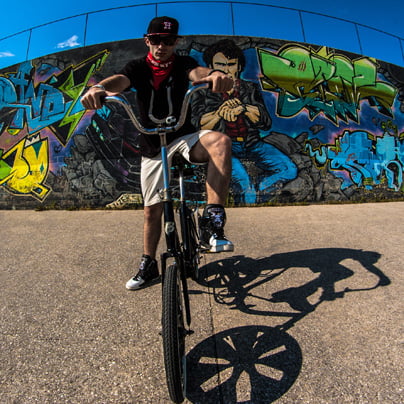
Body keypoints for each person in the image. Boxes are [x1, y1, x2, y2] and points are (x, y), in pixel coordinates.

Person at [81, 16, 234, 290]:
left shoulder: (183, 63)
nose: (162, 46)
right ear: (147, 40)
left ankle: (212, 221)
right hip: (152, 144)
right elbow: (120, 80)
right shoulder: (138, 67)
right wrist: (99, 88)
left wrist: (213, 75)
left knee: (220, 141)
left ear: (176, 42)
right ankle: (148, 263)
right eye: (156, 40)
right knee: (151, 212)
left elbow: (197, 73)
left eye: (168, 41)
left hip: (183, 137)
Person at [191, 39, 297, 204]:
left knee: (289, 170)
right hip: (225, 147)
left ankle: (259, 189)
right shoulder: (201, 91)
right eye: (220, 65)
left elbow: (265, 123)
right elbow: (197, 124)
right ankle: (250, 197)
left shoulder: (250, 88)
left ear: (239, 67)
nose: (226, 70)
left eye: (231, 65)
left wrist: (245, 108)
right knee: (244, 183)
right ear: (211, 67)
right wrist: (219, 113)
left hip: (252, 144)